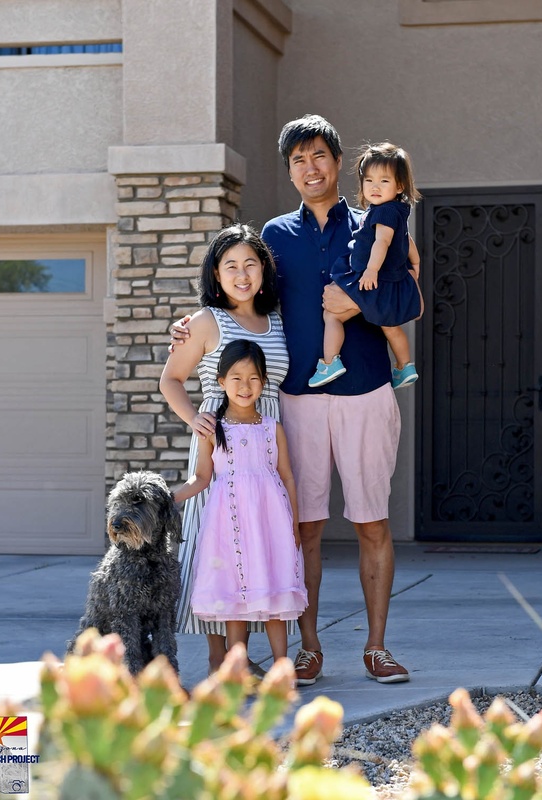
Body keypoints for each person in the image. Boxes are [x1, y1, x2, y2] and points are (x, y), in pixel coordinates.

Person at [261, 114, 410, 685]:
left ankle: (376, 647)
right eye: (298, 159)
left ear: (339, 161)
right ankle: (309, 646)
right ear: (290, 170)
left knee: (372, 521)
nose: (310, 166)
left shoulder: (378, 223)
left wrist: (359, 308)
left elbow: (406, 300)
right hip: (298, 396)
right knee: (305, 527)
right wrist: (194, 327)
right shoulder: (274, 237)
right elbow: (246, 304)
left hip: (366, 389)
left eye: (318, 155)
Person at [159, 223, 290, 674]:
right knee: (213, 547)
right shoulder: (204, 321)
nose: (241, 273)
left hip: (266, 436)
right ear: (216, 274)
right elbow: (170, 379)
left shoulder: (277, 319)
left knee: (257, 549)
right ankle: (220, 658)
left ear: (263, 270)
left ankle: (246, 657)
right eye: (230, 265)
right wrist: (194, 418)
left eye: (250, 264)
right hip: (220, 441)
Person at [172, 340, 307, 660]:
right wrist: (169, 497)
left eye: (253, 378)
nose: (245, 386)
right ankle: (237, 671)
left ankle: (282, 669)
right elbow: (202, 477)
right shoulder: (210, 428)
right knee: (234, 599)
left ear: (263, 381)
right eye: (236, 377)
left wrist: (295, 524)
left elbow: (286, 476)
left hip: (269, 522)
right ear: (221, 382)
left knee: (275, 595)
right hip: (228, 525)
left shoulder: (272, 428)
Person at [308, 142, 424, 390]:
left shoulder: (382, 213)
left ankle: (330, 362)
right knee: (390, 327)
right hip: (387, 281)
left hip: (370, 279)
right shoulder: (396, 211)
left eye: (384, 181)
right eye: (369, 180)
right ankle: (405, 366)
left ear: (400, 185)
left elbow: (382, 242)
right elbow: (405, 239)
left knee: (331, 315)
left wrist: (371, 270)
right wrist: (415, 261)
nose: (374, 186)